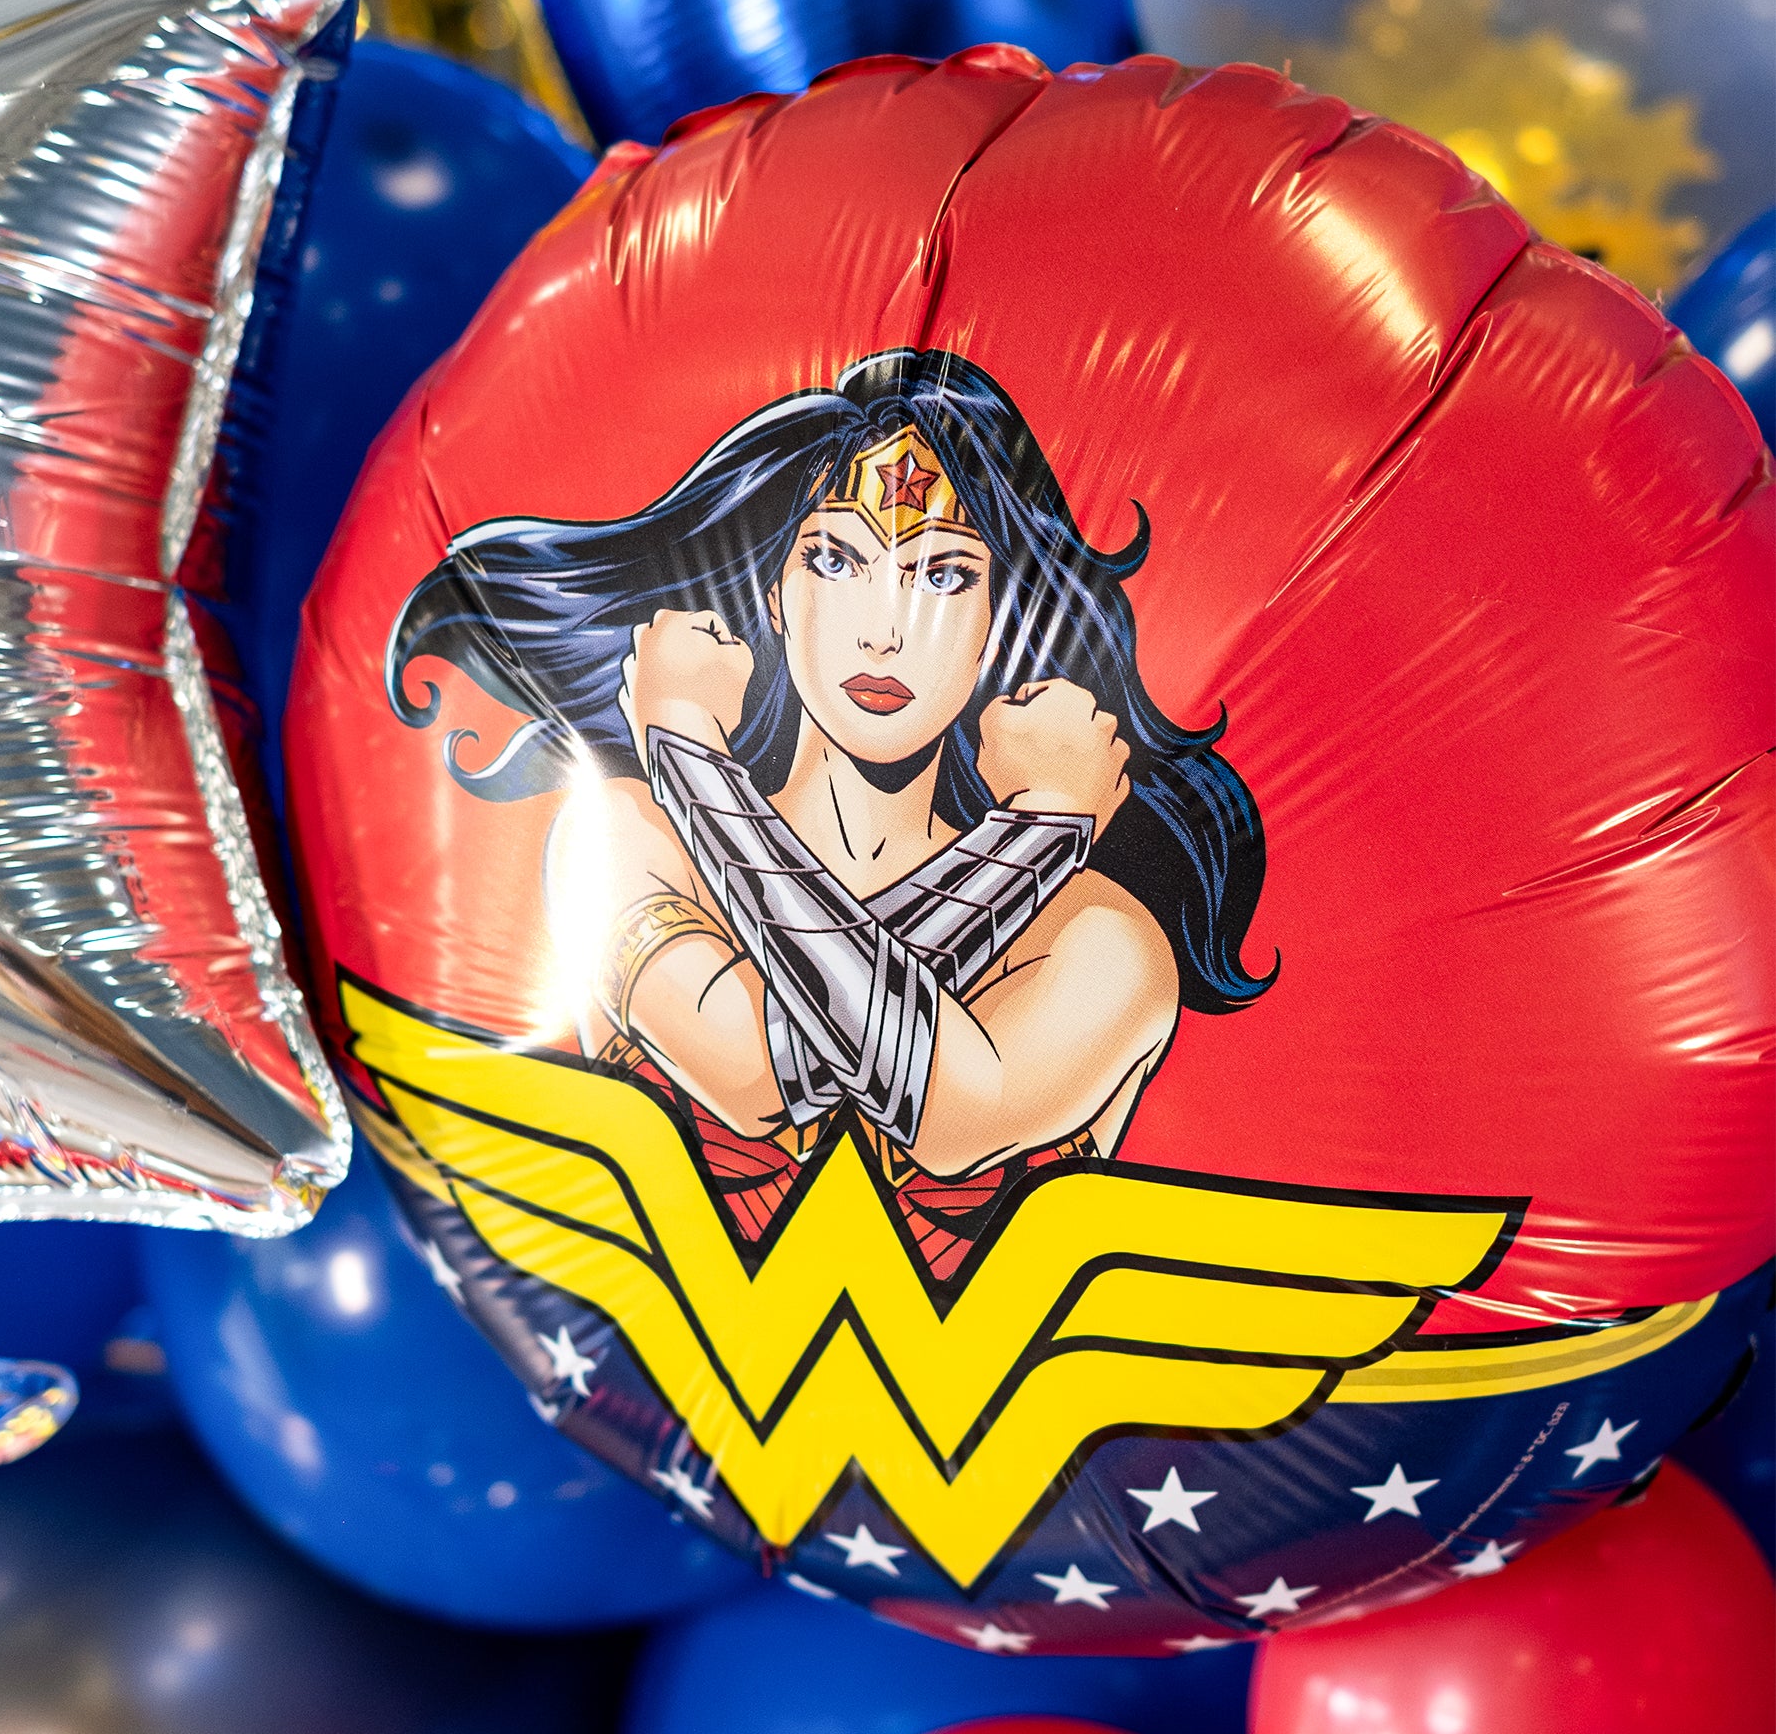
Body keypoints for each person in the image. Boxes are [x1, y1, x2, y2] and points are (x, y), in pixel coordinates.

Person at [387, 347, 1272, 1281]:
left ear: (1001, 621)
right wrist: (1040, 830)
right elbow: (756, 1074)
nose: (886, 631)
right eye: (837, 559)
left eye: (943, 576)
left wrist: (689, 754)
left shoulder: (1101, 935)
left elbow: (950, 1119)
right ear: (775, 592)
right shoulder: (633, 834)